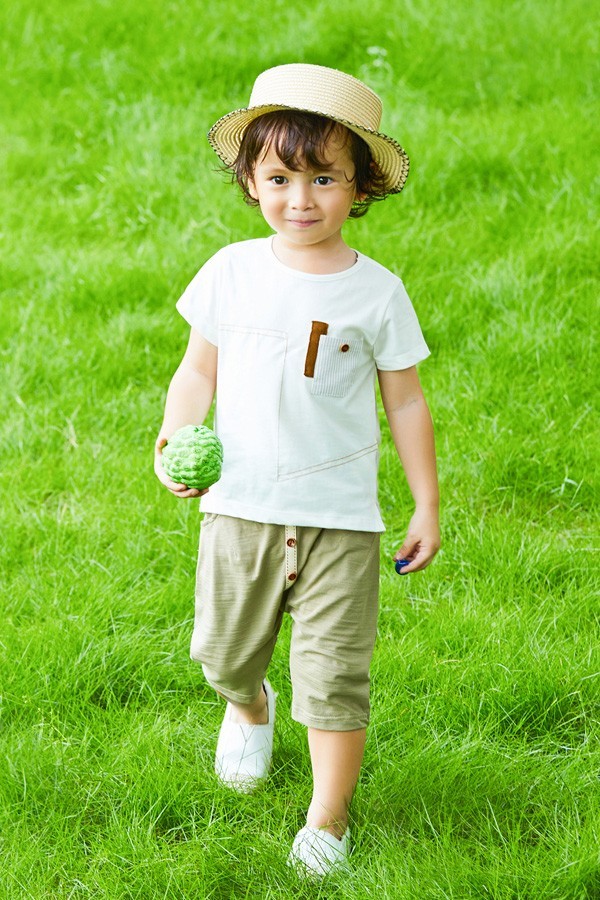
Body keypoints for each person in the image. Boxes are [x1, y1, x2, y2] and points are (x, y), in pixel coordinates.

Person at [154, 63, 440, 877]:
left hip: (341, 518)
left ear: (361, 188)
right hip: (239, 505)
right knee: (222, 653)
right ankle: (248, 707)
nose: (302, 198)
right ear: (251, 180)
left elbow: (407, 403)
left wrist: (426, 503)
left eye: (324, 178)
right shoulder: (231, 272)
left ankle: (328, 818)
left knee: (335, 676)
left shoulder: (378, 294)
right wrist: (175, 436)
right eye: (280, 177)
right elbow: (197, 372)